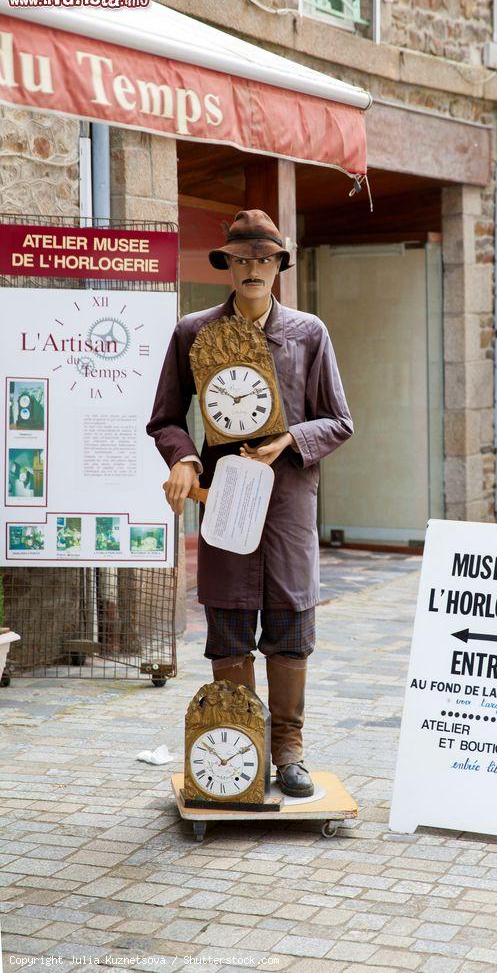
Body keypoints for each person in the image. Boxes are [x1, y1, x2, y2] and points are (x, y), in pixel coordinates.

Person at [147, 209, 353, 797]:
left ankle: (288, 750)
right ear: (228, 267)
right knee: (230, 626)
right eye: (241, 260)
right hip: (227, 505)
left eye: (264, 260)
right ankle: (242, 748)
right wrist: (184, 459)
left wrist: (290, 439)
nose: (252, 270)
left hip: (287, 505)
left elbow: (341, 420)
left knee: (291, 627)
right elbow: (165, 419)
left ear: (279, 267)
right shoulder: (193, 332)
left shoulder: (310, 334)